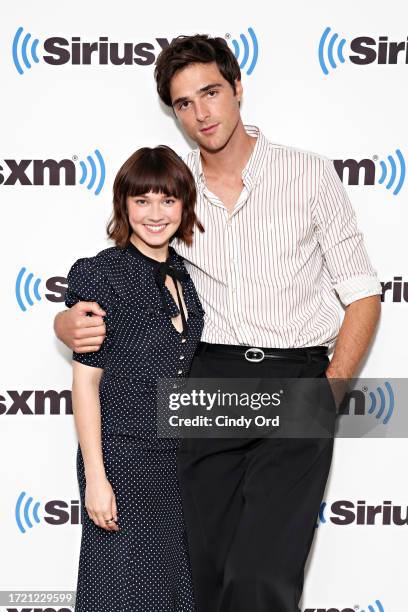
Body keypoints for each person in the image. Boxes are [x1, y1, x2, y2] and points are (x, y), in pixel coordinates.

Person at [55, 35, 382, 612]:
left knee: (263, 575)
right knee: (201, 573)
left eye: (210, 92)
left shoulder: (308, 175)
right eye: (184, 103)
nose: (201, 113)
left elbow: (362, 294)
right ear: (173, 112)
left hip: (298, 379)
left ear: (237, 88)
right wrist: (66, 322)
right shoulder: (174, 191)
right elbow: (122, 269)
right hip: (205, 384)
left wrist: (329, 391)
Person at [64, 145, 204, 611]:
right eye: (142, 200)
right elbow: (85, 383)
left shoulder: (186, 276)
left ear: (184, 205)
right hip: (121, 461)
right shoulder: (104, 273)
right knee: (119, 592)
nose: (155, 213)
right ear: (123, 205)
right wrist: (97, 479)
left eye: (167, 200)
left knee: (172, 592)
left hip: (178, 464)